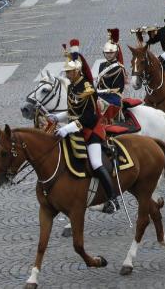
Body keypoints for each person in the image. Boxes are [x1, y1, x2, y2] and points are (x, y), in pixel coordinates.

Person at [51, 57, 121, 213]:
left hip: (91, 131)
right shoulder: (72, 86)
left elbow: (89, 117)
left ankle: (113, 198)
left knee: (96, 163)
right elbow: (72, 111)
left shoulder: (87, 88)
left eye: (69, 72)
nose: (67, 75)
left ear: (76, 71)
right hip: (77, 130)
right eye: (67, 72)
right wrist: (57, 117)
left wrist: (67, 128)